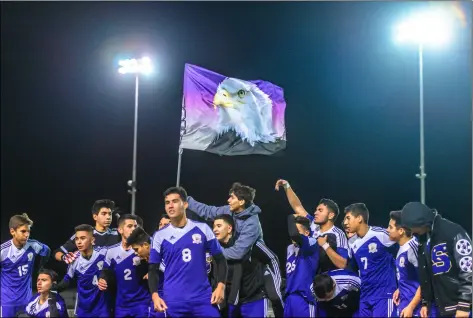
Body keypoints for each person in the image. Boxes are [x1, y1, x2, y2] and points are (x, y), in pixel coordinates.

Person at [186, 182, 284, 317]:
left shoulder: (252, 223)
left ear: (242, 201)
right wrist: (187, 200)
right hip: (240, 265)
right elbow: (208, 211)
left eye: (232, 197)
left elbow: (238, 252)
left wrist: (215, 252)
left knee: (274, 295)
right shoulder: (229, 210)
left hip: (262, 260)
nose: (228, 200)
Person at [148, 186, 227, 317]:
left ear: (185, 204)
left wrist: (221, 286)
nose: (170, 206)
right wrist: (155, 296)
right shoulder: (159, 236)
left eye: (175, 201)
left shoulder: (203, 229)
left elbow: (221, 260)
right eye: (167, 203)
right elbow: (153, 269)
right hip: (173, 301)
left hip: (202, 299)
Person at [401, 202, 472, 318]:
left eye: (412, 227)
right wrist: (425, 302)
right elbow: (427, 273)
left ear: (420, 222)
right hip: (440, 307)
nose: (412, 232)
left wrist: (464, 305)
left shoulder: (453, 232)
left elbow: (468, 270)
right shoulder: (423, 239)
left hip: (458, 307)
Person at [275, 179, 348, 273]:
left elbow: (343, 264)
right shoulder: (313, 224)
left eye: (320, 210)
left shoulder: (338, 234)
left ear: (331, 215)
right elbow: (298, 207)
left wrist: (325, 246)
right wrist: (286, 186)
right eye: (316, 210)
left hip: (328, 280)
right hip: (311, 278)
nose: (315, 213)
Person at [343, 203, 397, 317]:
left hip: (383, 295)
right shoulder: (352, 243)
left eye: (348, 218)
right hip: (365, 296)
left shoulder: (380, 234)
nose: (345, 222)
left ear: (359, 218)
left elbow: (403, 243)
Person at [212, 214, 268, 318]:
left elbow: (268, 260)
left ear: (229, 228)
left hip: (252, 299)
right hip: (229, 302)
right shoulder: (215, 251)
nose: (215, 230)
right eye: (214, 226)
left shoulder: (244, 246)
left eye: (219, 226)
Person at [97, 214, 150, 318]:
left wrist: (152, 271)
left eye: (135, 226)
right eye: (129, 226)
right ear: (120, 230)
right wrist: (102, 279)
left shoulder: (143, 248)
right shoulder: (111, 251)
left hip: (142, 303)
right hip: (121, 305)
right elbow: (106, 272)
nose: (134, 229)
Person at [1, 213, 51, 317]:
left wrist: (41, 266)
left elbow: (47, 251)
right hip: (7, 303)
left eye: (28, 231)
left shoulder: (34, 245)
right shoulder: (3, 251)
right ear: (12, 231)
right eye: (23, 231)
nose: (27, 234)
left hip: (27, 301)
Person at [54, 224, 110, 317]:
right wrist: (53, 288)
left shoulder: (104, 254)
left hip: (102, 307)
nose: (79, 242)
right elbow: (66, 281)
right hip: (84, 308)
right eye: (77, 239)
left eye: (83, 238)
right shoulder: (74, 260)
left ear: (92, 240)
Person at [54, 199, 120, 264]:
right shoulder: (83, 233)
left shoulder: (118, 234)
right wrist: (65, 257)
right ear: (95, 217)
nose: (108, 217)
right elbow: (57, 252)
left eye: (110, 214)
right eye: (104, 214)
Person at [387, 210, 422, 317]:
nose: (387, 230)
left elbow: (427, 280)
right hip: (404, 305)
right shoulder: (402, 247)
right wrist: (400, 288)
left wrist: (411, 306)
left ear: (401, 231)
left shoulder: (413, 248)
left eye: (390, 227)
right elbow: (410, 276)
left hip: (415, 309)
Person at [126, 226, 165, 318]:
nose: (135, 253)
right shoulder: (147, 260)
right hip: (156, 299)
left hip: (168, 299)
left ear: (146, 245)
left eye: (136, 249)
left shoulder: (164, 253)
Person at [284, 215, 319, 317]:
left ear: (307, 233)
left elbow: (294, 234)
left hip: (304, 297)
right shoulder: (290, 248)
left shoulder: (312, 241)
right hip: (289, 297)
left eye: (297, 230)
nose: (292, 234)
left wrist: (290, 217)